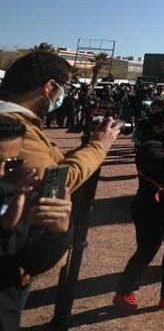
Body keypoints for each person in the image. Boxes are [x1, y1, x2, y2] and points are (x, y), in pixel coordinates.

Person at [0, 52, 121, 196]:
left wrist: (90, 143)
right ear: (50, 86)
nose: (62, 94)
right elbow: (54, 184)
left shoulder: (23, 121)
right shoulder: (11, 128)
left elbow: (54, 161)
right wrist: (99, 146)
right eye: (64, 87)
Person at [114, 101, 164, 311]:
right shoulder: (150, 147)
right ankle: (123, 291)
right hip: (151, 208)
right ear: (158, 127)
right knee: (147, 250)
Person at [0, 116, 74, 330]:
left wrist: (58, 231)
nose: (2, 172)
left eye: (11, 163)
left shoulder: (14, 196)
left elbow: (33, 262)